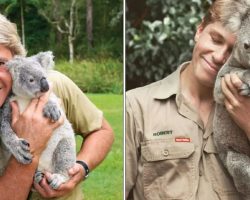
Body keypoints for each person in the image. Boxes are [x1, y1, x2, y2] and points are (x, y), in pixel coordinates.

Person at [126, 0, 249, 199]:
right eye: (216, 40)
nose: (219, 57)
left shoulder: (246, 109)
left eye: (231, 51)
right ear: (200, 30)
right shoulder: (136, 106)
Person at [0, 14, 114, 200]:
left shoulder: (55, 84)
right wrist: (32, 142)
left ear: (17, 61)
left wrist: (80, 168)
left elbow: (102, 131)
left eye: (0, 63)